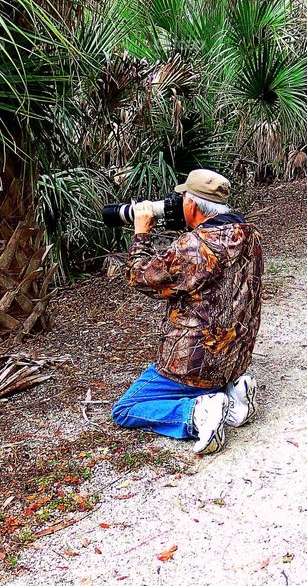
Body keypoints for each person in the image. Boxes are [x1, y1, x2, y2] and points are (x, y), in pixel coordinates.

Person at [111, 169, 264, 455]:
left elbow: (140, 276)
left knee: (126, 408)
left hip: (194, 364)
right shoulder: (250, 235)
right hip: (235, 356)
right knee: (218, 368)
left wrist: (142, 233)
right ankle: (234, 396)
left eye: (182, 198)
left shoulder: (194, 246)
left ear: (192, 205)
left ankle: (196, 413)